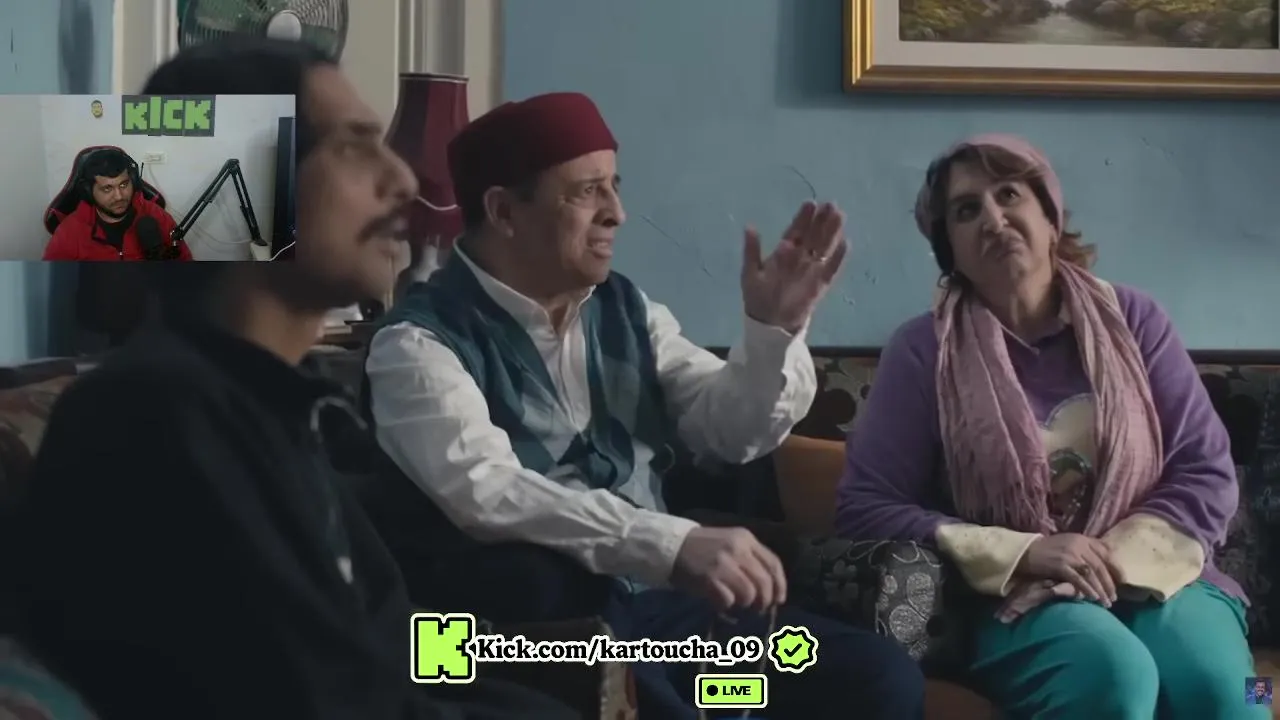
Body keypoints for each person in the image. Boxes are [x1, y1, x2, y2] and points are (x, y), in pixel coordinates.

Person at [11, 37, 578, 720]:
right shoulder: (153, 417)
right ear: (242, 184)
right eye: (352, 147)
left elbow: (393, 651)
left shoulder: (289, 410)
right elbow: (323, 699)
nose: (404, 181)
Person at [363, 91, 926, 719]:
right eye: (587, 192)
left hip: (663, 610)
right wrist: (670, 543)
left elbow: (731, 432)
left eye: (615, 187)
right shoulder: (416, 344)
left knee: (881, 681)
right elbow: (484, 490)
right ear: (504, 211)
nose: (618, 213)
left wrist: (773, 332)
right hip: (533, 629)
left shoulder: (629, 311)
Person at [836, 134, 1261, 718]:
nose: (994, 219)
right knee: (1113, 671)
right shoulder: (922, 351)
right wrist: (1027, 552)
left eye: (1009, 195)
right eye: (966, 210)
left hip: (1162, 574)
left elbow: (1205, 469)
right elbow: (865, 506)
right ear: (948, 249)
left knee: (1232, 692)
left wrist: (1106, 559)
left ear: (1050, 217)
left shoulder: (1136, 320)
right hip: (1011, 598)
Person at [42, 147, 194, 261]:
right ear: (89, 192)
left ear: (133, 181)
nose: (119, 196)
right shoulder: (70, 232)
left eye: (124, 184)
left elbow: (184, 261)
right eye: (107, 189)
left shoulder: (156, 215)